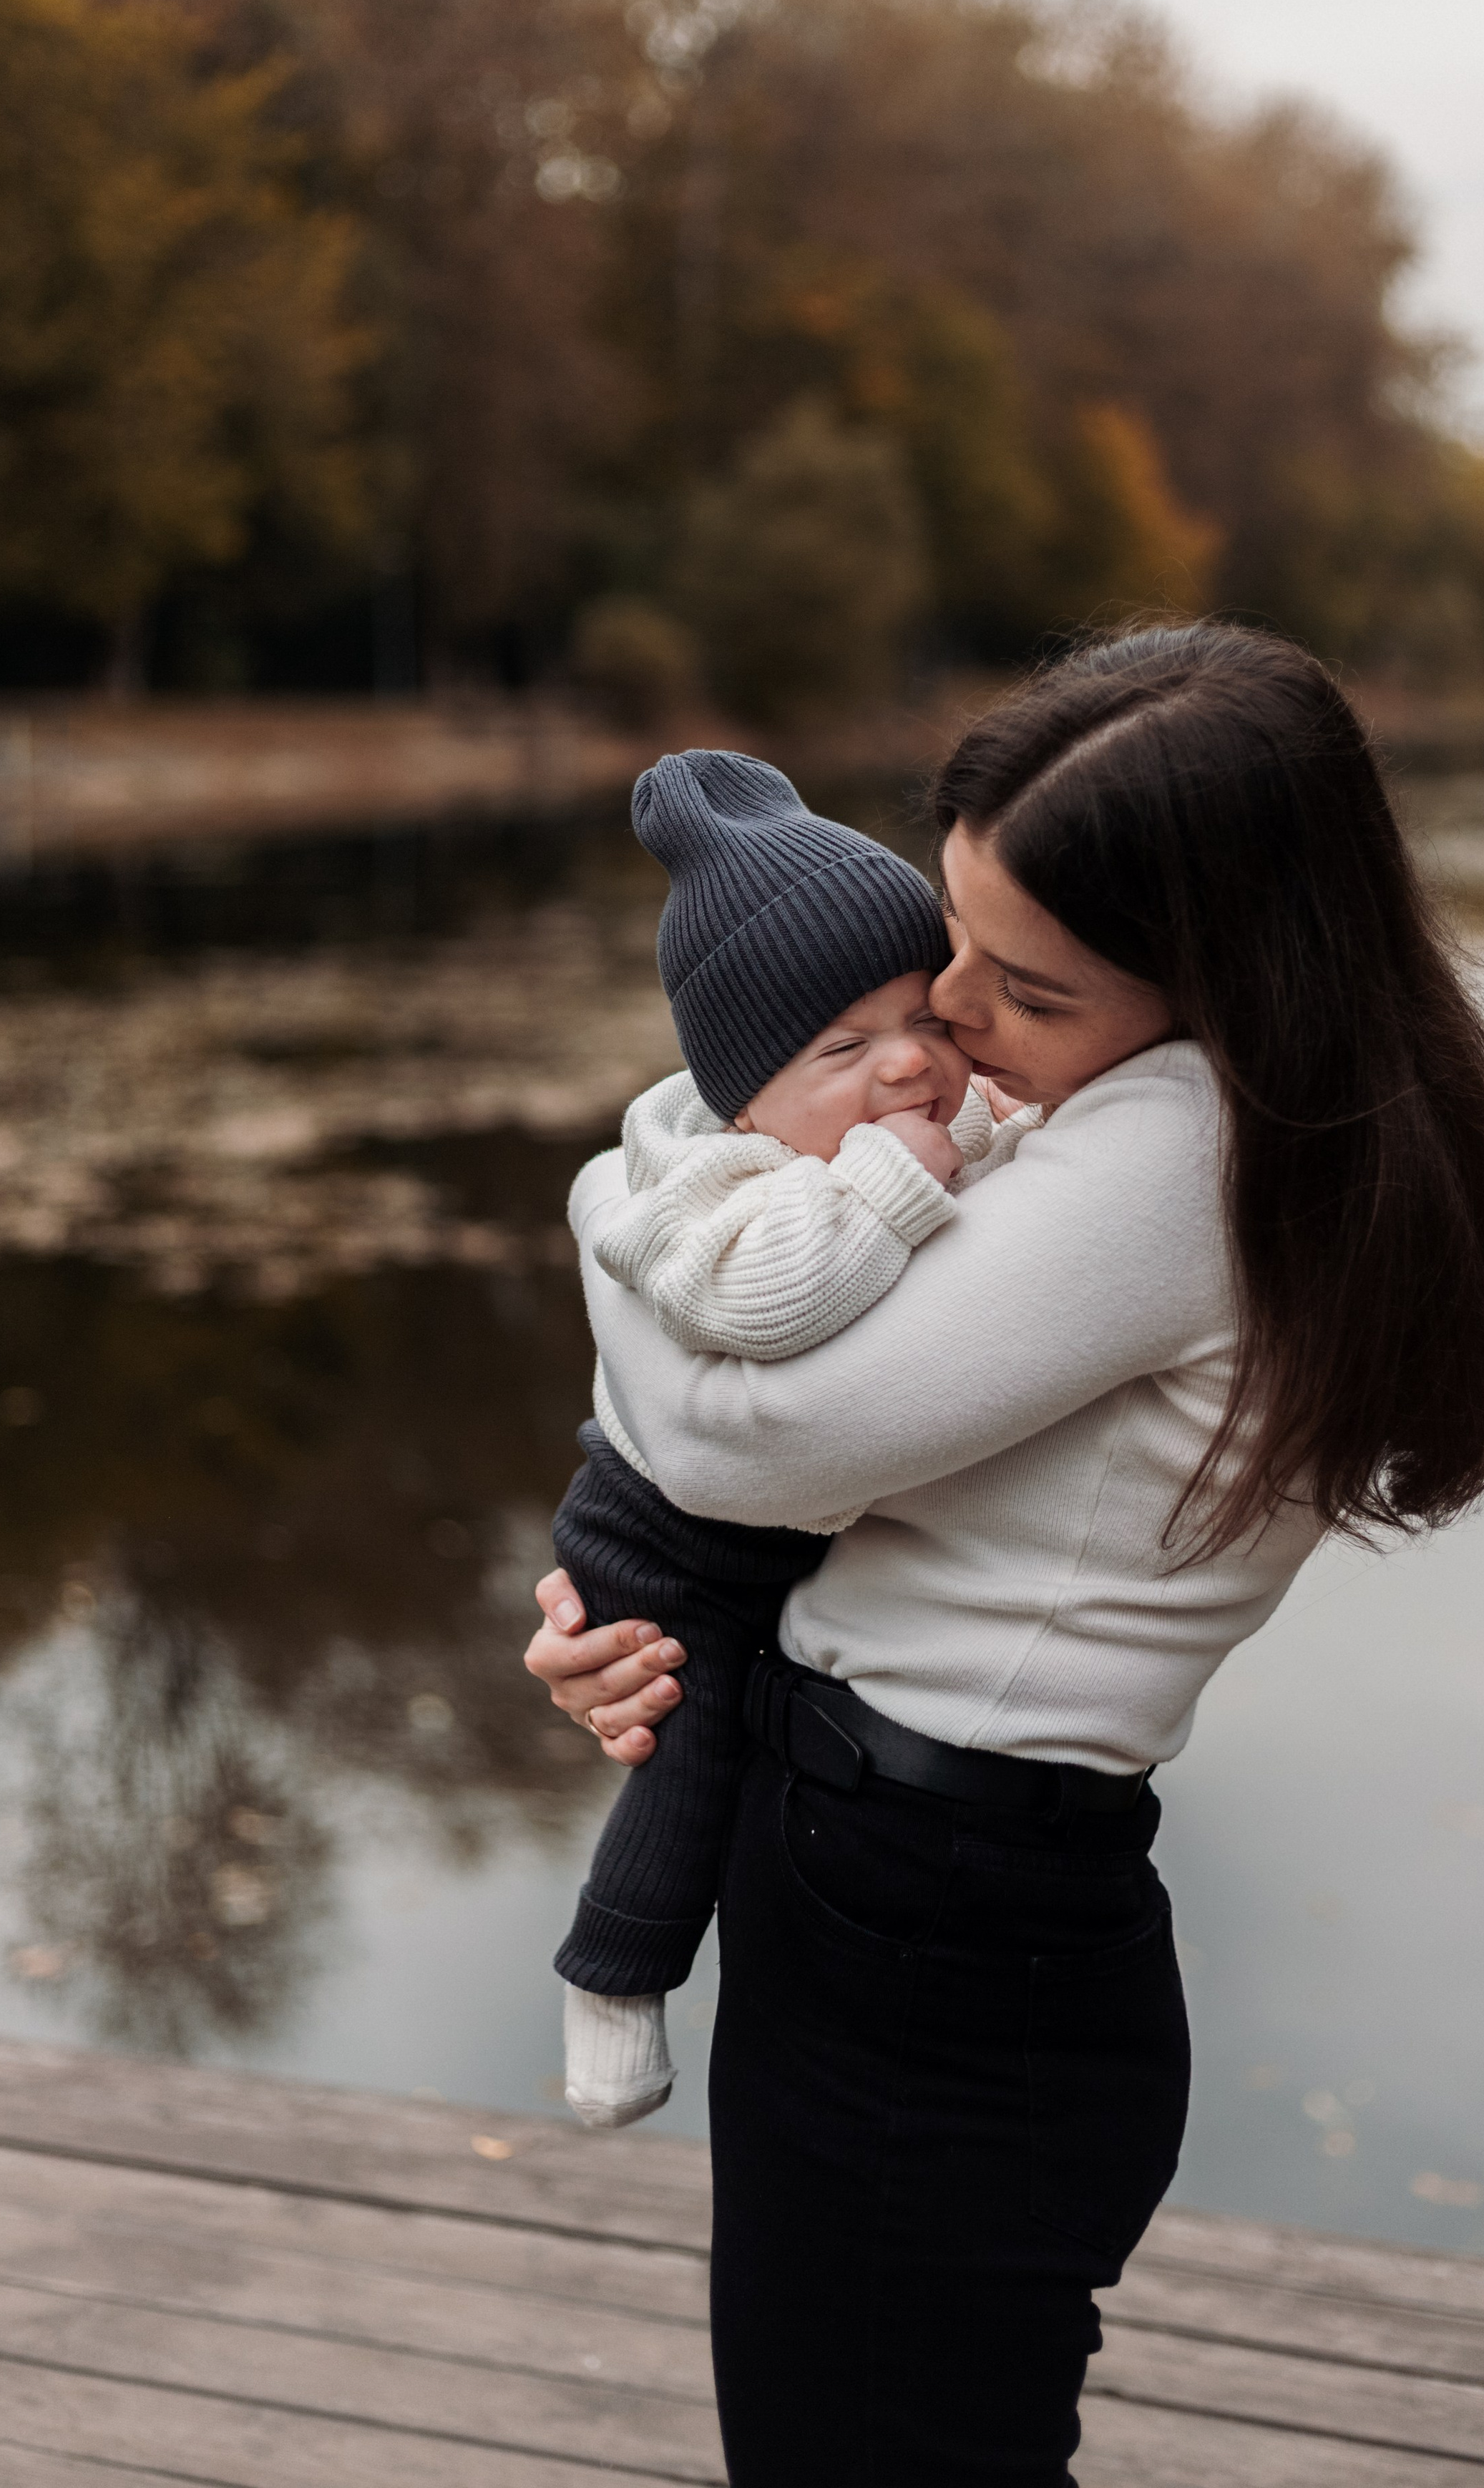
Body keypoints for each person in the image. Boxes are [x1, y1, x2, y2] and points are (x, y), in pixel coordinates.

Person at [527, 623, 1484, 2488]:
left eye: (1022, 986)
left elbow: (744, 1439)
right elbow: (774, 1464)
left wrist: (622, 1193)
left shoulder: (1183, 1144)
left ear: (1214, 967)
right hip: (916, 1872)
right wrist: (639, 1615)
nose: (950, 1022)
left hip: (931, 1913)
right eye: (953, 941)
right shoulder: (1215, 1095)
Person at [554, 748, 1026, 2126]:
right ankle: (613, 1979)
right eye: (844, 1049)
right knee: (687, 1748)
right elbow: (760, 1305)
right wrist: (892, 1181)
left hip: (788, 1542)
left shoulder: (892, 1117)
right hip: (662, 1535)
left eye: (921, 1017)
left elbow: (989, 1154)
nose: (908, 1063)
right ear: (747, 1097)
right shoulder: (719, 1183)